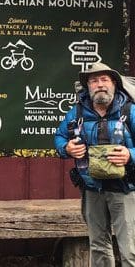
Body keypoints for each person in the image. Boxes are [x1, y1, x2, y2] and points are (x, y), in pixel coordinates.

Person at [54, 62, 135, 266]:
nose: (100, 84)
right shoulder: (77, 113)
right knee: (98, 245)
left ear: (114, 84)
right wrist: (67, 148)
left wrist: (130, 154)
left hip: (124, 189)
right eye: (94, 80)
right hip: (92, 190)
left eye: (104, 79)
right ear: (88, 86)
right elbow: (60, 137)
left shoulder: (130, 111)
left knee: (130, 249)